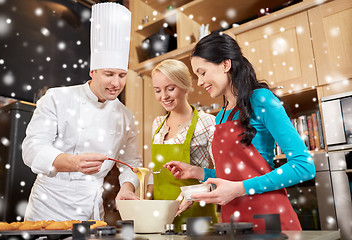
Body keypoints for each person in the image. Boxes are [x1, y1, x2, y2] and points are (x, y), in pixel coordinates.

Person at [164, 32, 316, 230]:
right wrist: (197, 172)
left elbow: (304, 166)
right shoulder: (221, 116)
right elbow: (235, 175)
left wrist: (240, 189)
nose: (199, 82)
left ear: (225, 65)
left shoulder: (261, 100)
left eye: (202, 72)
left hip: (270, 221)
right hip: (235, 224)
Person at [22, 2, 142, 221]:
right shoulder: (57, 98)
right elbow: (31, 149)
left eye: (121, 75)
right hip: (48, 206)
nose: (116, 83)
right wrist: (74, 163)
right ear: (93, 71)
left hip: (91, 209)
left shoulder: (126, 116)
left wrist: (127, 189)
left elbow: (132, 164)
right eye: (109, 74)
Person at [149, 59, 217, 230]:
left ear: (185, 86)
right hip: (163, 217)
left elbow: (222, 176)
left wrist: (194, 194)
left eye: (170, 89)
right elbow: (155, 173)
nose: (163, 96)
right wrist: (146, 199)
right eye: (157, 90)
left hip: (197, 217)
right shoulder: (158, 124)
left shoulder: (207, 123)